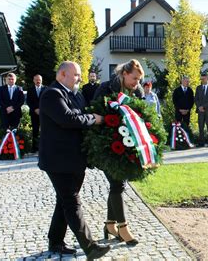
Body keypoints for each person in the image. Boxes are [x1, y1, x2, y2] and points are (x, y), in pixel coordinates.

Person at [39, 61, 110, 259]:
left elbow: (80, 113)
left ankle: (55, 242)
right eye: (76, 74)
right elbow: (68, 119)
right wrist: (91, 119)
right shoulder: (52, 94)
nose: (80, 78)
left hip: (74, 159)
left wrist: (83, 116)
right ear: (62, 74)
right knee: (72, 202)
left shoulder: (75, 94)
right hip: (57, 161)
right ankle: (90, 247)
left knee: (63, 202)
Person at [93, 59, 143, 246]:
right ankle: (123, 228)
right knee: (117, 184)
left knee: (118, 184)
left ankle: (109, 224)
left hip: (127, 145)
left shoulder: (136, 92)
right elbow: (94, 111)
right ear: (124, 73)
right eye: (134, 78)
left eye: (138, 80)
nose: (136, 83)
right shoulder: (106, 88)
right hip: (107, 145)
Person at [194, 73, 208, 147]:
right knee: (200, 127)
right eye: (201, 79)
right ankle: (201, 142)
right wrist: (199, 107)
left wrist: (203, 106)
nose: (202, 80)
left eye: (203, 79)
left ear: (207, 78)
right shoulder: (198, 88)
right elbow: (196, 99)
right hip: (200, 111)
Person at [26, 74, 46, 152]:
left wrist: (41, 109)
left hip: (43, 113)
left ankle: (44, 147)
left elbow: (47, 101)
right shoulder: (30, 89)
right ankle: (34, 147)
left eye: (39, 79)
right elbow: (28, 101)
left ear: (41, 80)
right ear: (33, 80)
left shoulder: (46, 89)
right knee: (35, 130)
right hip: (34, 113)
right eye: (36, 79)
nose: (38, 81)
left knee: (44, 130)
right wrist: (35, 109)